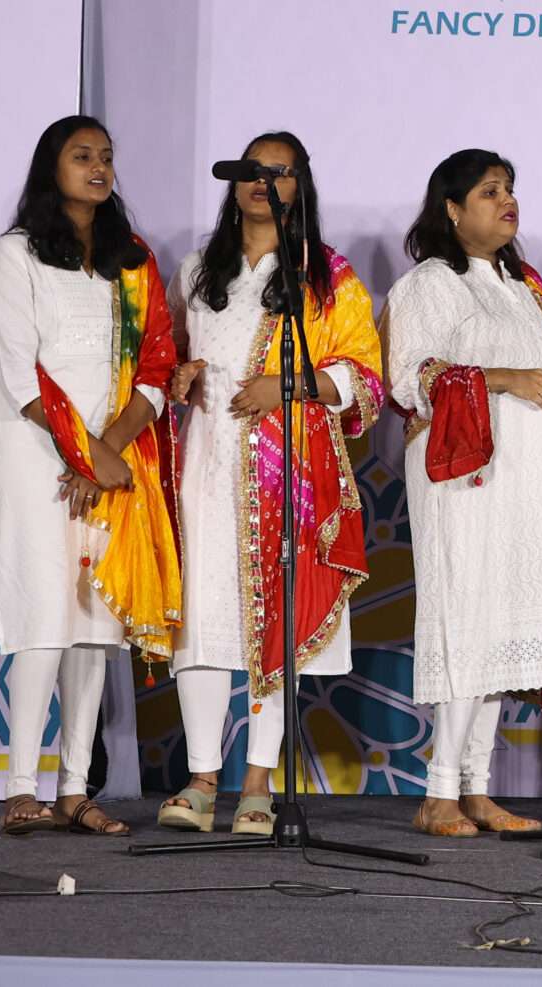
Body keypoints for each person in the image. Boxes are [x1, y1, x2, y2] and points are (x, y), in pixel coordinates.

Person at [157, 133, 382, 837]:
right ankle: (201, 780)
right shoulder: (198, 271)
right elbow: (170, 356)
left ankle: (257, 781)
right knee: (201, 619)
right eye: (253, 169)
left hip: (288, 473)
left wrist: (286, 384)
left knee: (272, 617)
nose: (263, 181)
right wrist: (181, 375)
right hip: (206, 465)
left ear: (299, 186)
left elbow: (363, 377)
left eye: (280, 172)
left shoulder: (326, 277)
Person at [0, 114, 183, 838]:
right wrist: (83, 454)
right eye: (81, 155)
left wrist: (110, 451)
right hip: (37, 453)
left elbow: (156, 362)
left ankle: (73, 788)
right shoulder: (17, 253)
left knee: (96, 620)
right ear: (52, 168)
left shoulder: (132, 259)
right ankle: (19, 788)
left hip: (110, 459)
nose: (98, 167)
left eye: (106, 157)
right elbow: (20, 371)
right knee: (44, 611)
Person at [385, 149, 542, 838]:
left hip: (526, 486)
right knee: (468, 619)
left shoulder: (523, 286)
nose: (508, 201)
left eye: (510, 189)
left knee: (500, 627)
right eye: (489, 191)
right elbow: (411, 377)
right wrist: (503, 378)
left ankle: (476, 788)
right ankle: (438, 792)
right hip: (464, 479)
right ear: (452, 208)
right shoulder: (429, 283)